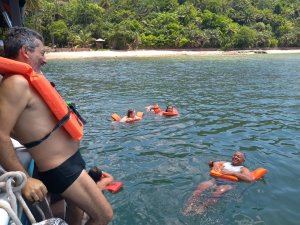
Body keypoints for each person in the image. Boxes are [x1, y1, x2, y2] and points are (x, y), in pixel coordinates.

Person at [0, 27, 112, 224]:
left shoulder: (26, 81)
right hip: (60, 169)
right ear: (26, 51)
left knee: (76, 213)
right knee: (103, 216)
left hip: (70, 162)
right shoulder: (16, 83)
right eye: (42, 53)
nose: (45, 59)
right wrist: (25, 179)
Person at [183, 151, 254, 215]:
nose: (235, 157)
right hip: (216, 181)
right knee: (201, 186)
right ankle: (190, 205)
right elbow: (212, 163)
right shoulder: (225, 163)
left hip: (228, 184)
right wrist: (214, 164)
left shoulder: (243, 169)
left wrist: (233, 173)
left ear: (243, 160)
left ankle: (203, 207)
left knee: (219, 191)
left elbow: (249, 179)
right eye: (234, 155)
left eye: (238, 156)